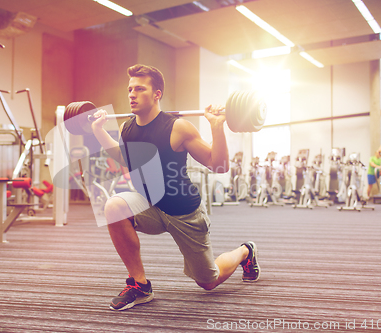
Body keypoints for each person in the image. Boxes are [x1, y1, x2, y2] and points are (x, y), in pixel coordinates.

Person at [91, 64, 260, 311]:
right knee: (114, 206)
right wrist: (97, 131)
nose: (131, 94)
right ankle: (139, 285)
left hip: (184, 213)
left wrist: (216, 126)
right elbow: (125, 159)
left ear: (157, 93)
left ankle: (245, 251)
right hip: (149, 205)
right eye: (130, 89)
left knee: (209, 282)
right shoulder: (127, 127)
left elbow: (219, 165)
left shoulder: (178, 127)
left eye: (139, 89)